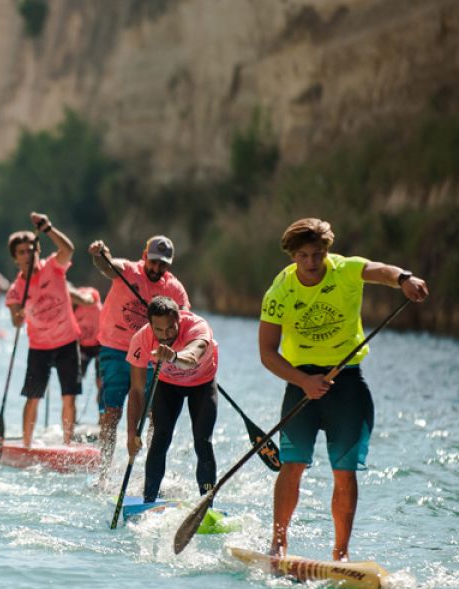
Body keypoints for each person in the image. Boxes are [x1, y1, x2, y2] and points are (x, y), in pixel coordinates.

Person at [260, 217, 429, 561]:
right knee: (291, 465)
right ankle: (278, 543)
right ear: (293, 257)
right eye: (304, 256)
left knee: (344, 470)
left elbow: (379, 270)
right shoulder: (280, 290)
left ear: (327, 251)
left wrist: (404, 279)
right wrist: (303, 381)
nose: (312, 263)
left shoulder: (344, 270)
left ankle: (341, 554)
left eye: (318, 254)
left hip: (346, 383)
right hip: (301, 383)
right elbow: (266, 353)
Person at [87, 236, 190, 468]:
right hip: (115, 350)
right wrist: (99, 253)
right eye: (153, 262)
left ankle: (150, 472)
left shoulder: (173, 288)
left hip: (150, 356)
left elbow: (185, 320)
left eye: (162, 264)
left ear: (169, 265)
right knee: (112, 413)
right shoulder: (128, 271)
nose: (156, 268)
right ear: (145, 256)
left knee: (154, 415)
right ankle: (103, 473)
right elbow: (107, 265)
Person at [125, 296, 219, 503]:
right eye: (158, 330)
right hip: (168, 385)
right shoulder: (141, 339)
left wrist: (174, 357)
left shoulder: (197, 326)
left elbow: (192, 357)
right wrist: (132, 432)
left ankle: (206, 505)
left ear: (179, 319)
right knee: (160, 439)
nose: (165, 336)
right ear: (151, 325)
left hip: (202, 384)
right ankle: (148, 501)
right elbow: (137, 390)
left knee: (203, 442)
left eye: (170, 329)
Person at [6, 212, 81, 446]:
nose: (28, 255)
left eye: (31, 250)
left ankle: (67, 446)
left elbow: (68, 249)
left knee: (69, 397)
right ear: (15, 259)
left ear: (37, 251)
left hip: (67, 341)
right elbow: (16, 319)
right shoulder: (15, 289)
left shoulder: (53, 267)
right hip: (39, 347)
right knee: (33, 398)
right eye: (22, 252)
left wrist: (48, 229)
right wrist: (18, 316)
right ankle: (27, 445)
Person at [70, 285, 103, 413]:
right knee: (73, 383)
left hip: (101, 344)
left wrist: (80, 299)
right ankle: (70, 422)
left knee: (102, 383)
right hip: (82, 347)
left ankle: (102, 423)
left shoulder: (84, 293)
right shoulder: (64, 309)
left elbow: (92, 297)